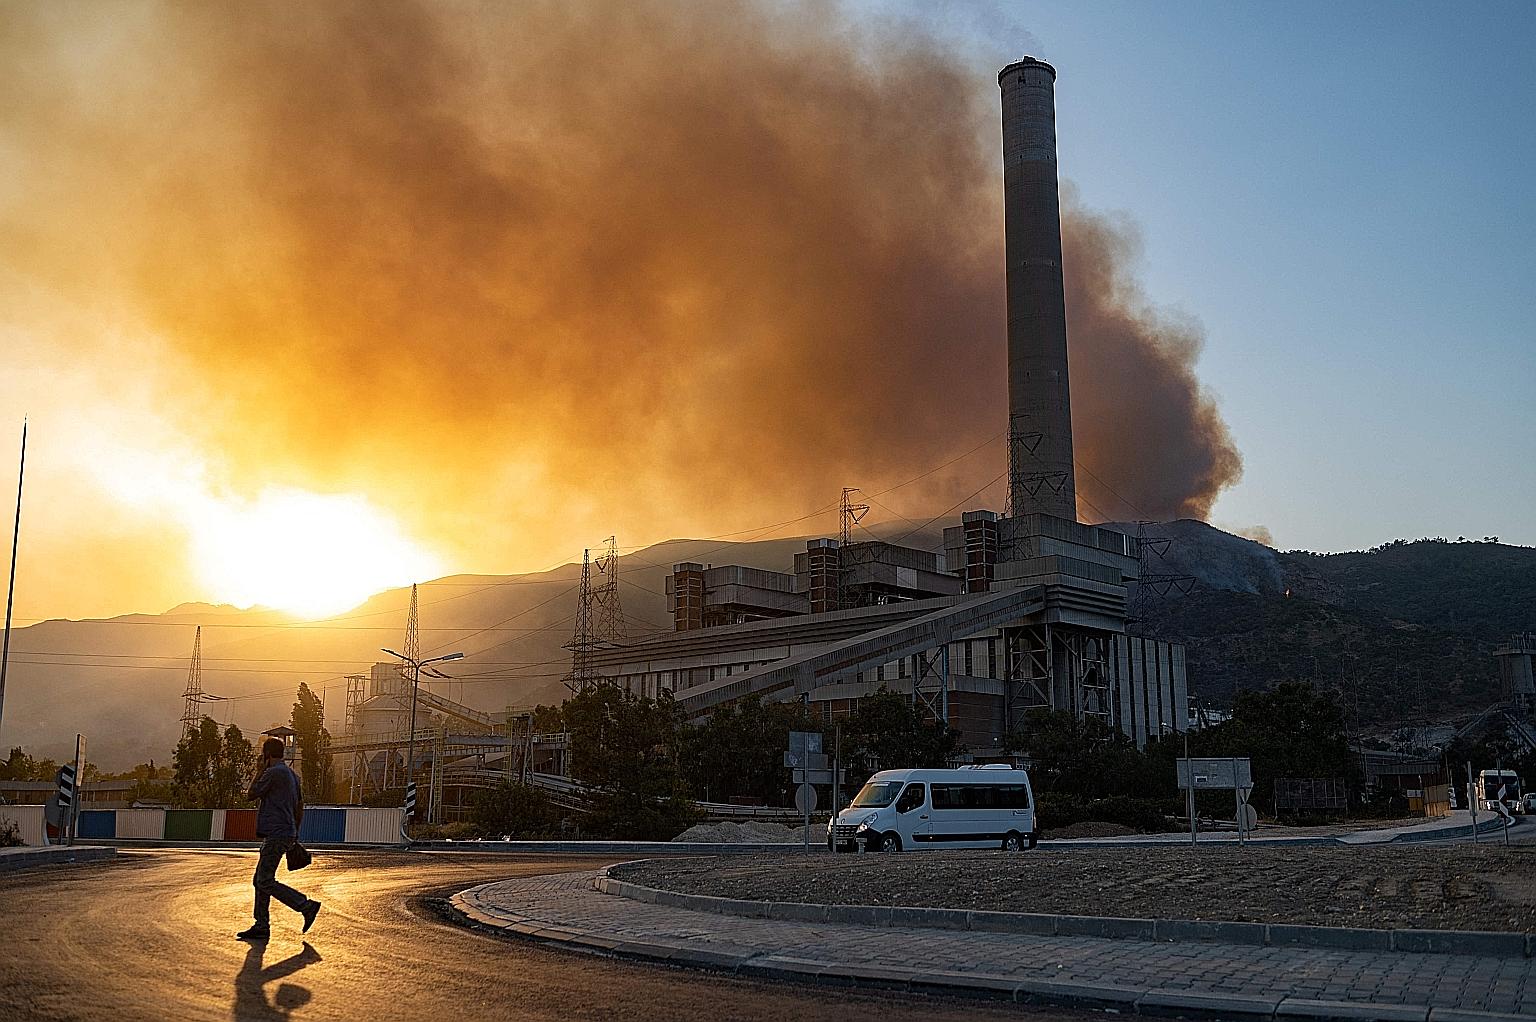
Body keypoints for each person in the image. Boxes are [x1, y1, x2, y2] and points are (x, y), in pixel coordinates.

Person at [237, 737, 321, 941]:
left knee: (264, 880)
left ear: (267, 754)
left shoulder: (273, 773)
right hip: (286, 831)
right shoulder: (292, 775)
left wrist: (259, 770)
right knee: (260, 880)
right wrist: (294, 833)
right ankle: (261, 925)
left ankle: (305, 905)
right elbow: (299, 806)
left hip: (276, 833)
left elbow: (251, 794)